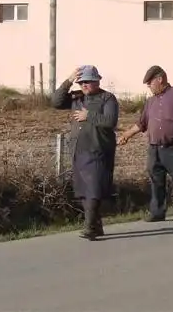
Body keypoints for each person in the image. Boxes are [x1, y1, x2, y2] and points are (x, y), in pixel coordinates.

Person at [117, 65, 173, 221]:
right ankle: (158, 212)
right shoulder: (150, 102)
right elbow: (141, 124)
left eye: (150, 82)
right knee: (156, 181)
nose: (148, 86)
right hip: (154, 148)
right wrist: (127, 135)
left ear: (160, 79)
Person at [51, 64, 119, 240]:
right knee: (83, 190)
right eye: (81, 82)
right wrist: (68, 80)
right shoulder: (76, 98)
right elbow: (55, 102)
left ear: (97, 81)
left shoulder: (107, 98)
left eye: (88, 82)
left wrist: (89, 116)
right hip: (78, 150)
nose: (84, 85)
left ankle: (89, 227)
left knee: (93, 189)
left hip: (98, 149)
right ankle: (96, 226)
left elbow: (110, 121)